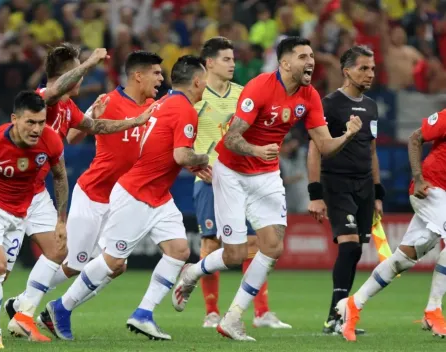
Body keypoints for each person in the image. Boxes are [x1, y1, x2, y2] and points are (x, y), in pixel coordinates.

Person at [171, 36, 362, 341]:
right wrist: (257, 150)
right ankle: (193, 272)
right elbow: (232, 138)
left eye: (311, 56)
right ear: (285, 63)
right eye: (303, 56)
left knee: (272, 247)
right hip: (232, 171)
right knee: (233, 255)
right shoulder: (260, 86)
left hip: (266, 175)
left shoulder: (310, 96)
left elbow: (324, 146)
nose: (310, 61)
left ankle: (233, 318)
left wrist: (348, 135)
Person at [43, 55, 209, 341]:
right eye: (205, 80)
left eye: (162, 74)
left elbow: (163, 147)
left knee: (179, 250)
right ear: (197, 81)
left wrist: (189, 161)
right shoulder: (182, 108)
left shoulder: (162, 103)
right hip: (135, 192)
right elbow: (180, 154)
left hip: (158, 194)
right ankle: (60, 307)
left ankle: (144, 313)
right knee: (111, 263)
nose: (206, 85)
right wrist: (204, 158)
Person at [1, 43, 156, 339]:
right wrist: (90, 62)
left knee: (68, 254)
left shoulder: (68, 108)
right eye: (79, 73)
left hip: (35, 192)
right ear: (70, 74)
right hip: (6, 192)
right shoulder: (42, 100)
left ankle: (23, 312)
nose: (84, 79)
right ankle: (21, 306)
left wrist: (134, 121)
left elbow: (91, 127)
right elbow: (57, 90)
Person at [193, 36, 290, 329]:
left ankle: (261, 312)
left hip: (244, 177)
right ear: (209, 63)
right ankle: (211, 312)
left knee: (259, 243)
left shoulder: (244, 94)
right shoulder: (195, 97)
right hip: (209, 178)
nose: (233, 64)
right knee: (211, 243)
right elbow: (177, 136)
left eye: (234, 59)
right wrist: (193, 165)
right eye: (226, 59)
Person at [338, 107, 446, 341]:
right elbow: (415, 138)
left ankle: (354, 303)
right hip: (430, 189)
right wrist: (418, 178)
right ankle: (433, 309)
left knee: (403, 259)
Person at [0, 91, 67, 348]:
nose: (37, 129)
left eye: (41, 122)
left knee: (56, 251)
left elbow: (59, 176)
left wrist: (61, 220)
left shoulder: (50, 140)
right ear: (14, 119)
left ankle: (22, 312)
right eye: (30, 122)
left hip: (22, 209)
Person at [306, 45, 383, 335]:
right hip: (336, 183)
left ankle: (336, 316)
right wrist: (315, 194)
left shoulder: (372, 106)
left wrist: (377, 193)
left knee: (355, 251)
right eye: (363, 68)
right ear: (346, 70)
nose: (370, 74)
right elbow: (314, 150)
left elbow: (371, 150)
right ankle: (336, 316)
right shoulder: (329, 104)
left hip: (364, 186)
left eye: (373, 68)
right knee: (349, 246)